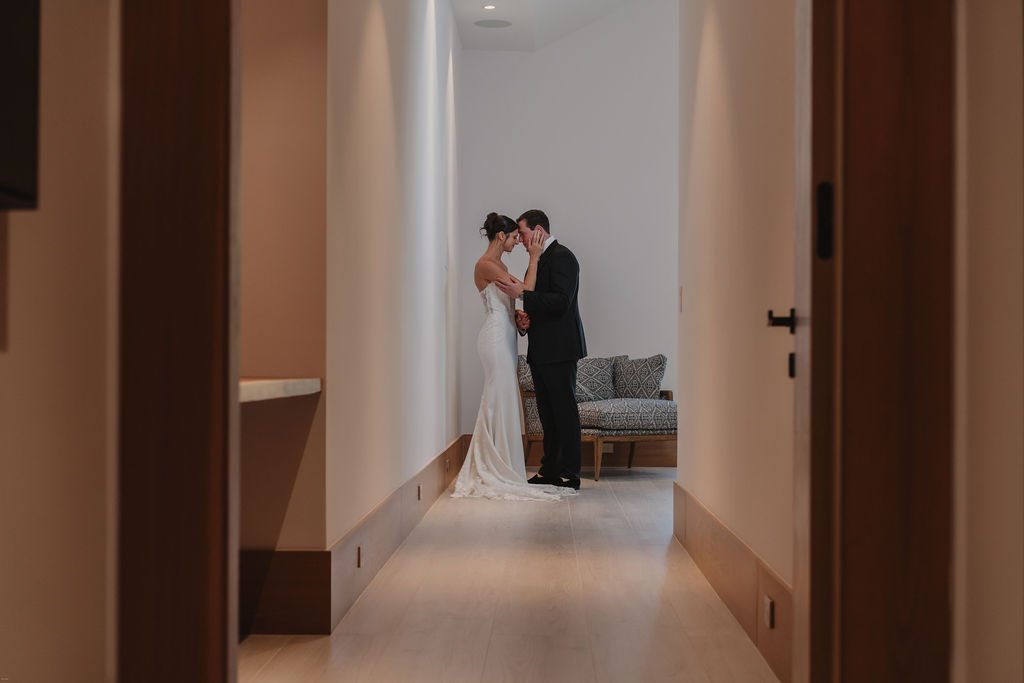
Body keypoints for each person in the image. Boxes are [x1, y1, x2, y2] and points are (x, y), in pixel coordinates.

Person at [452, 213, 576, 501]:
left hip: (506, 333)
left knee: (505, 397)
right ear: (500, 237)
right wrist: (533, 259)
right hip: (494, 337)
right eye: (513, 236)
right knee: (497, 395)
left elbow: (519, 298)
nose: (517, 240)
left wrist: (518, 316)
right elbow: (527, 290)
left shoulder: (501, 265)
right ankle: (492, 464)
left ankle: (504, 464)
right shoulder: (485, 265)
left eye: (519, 235)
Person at [496, 209, 587, 490]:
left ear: (538, 231)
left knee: (564, 411)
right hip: (541, 349)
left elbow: (561, 301)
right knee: (547, 413)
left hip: (560, 349)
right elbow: (539, 304)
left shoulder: (563, 257)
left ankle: (570, 473)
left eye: (522, 233)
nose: (521, 240)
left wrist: (523, 294)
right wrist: (526, 319)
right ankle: (549, 469)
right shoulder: (538, 260)